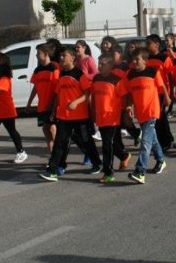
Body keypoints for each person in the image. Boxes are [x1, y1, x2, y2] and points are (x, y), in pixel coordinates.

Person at [40, 48, 102, 181]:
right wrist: (53, 110)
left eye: (64, 55)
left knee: (87, 141)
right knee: (59, 143)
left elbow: (87, 94)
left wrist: (76, 102)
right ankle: (53, 170)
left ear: (72, 58)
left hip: (80, 117)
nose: (61, 58)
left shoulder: (79, 74)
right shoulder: (61, 74)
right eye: (61, 56)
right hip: (63, 116)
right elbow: (58, 94)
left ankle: (97, 163)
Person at [120, 48, 171, 184]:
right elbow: (129, 94)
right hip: (140, 112)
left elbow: (162, 86)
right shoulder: (130, 75)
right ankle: (161, 160)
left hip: (152, 111)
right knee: (152, 139)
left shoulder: (152, 72)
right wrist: (129, 106)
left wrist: (167, 98)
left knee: (145, 142)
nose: (134, 62)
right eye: (133, 59)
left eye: (137, 59)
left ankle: (140, 171)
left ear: (145, 60)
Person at [90, 54, 131, 183]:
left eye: (103, 64)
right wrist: (93, 113)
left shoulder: (117, 80)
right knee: (109, 143)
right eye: (99, 63)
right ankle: (124, 155)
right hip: (100, 117)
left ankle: (108, 173)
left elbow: (125, 97)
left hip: (112, 118)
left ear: (111, 65)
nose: (99, 66)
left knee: (107, 145)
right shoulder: (96, 78)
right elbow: (94, 97)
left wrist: (126, 113)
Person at [25, 44, 60, 154]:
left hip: (52, 106)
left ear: (45, 54)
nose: (36, 55)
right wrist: (29, 103)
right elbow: (35, 87)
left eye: (38, 53)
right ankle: (52, 156)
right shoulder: (37, 70)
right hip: (42, 106)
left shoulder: (54, 69)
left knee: (52, 128)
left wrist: (53, 104)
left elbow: (57, 89)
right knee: (46, 130)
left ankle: (59, 154)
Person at [145, 35, 175, 150]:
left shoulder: (164, 58)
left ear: (156, 44)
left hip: (162, 92)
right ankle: (160, 141)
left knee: (161, 116)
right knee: (154, 118)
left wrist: (171, 92)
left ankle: (167, 140)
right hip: (150, 93)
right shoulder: (146, 58)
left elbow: (170, 76)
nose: (146, 46)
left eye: (149, 43)